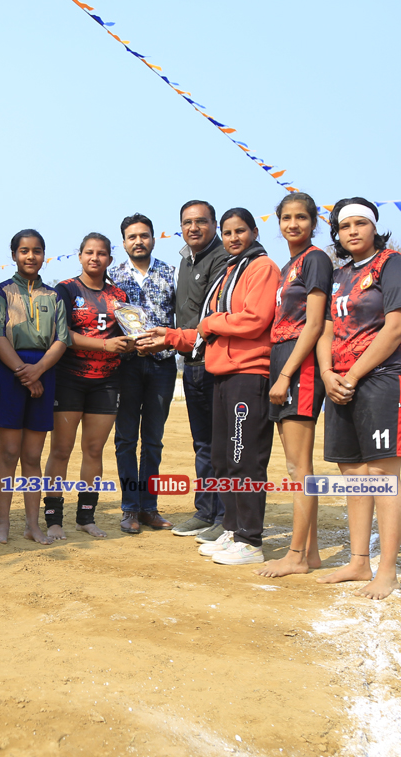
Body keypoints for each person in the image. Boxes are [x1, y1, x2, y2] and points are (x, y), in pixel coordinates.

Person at [139, 208, 280, 565]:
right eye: (229, 233)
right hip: (222, 372)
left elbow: (254, 319)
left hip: (249, 373)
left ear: (254, 232)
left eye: (240, 231)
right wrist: (171, 336)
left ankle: (250, 540)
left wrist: (211, 323)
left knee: (244, 459)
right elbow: (205, 331)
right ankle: (232, 529)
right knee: (223, 457)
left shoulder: (262, 267)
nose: (233, 238)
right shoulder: (232, 270)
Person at [314, 198, 401, 600]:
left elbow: (396, 327)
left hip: (380, 380)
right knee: (353, 473)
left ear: (375, 227)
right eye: (345, 226)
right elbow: (325, 329)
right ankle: (359, 562)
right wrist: (327, 374)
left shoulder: (393, 265)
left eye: (361, 223)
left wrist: (353, 375)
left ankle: (387, 571)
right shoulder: (339, 275)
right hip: (340, 382)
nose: (353, 231)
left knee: (382, 475)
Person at [255, 192, 332, 578]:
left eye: (301, 217)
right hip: (284, 359)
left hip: (299, 366)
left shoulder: (315, 259)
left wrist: (286, 375)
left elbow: (314, 324)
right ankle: (311, 553)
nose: (293, 224)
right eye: (286, 218)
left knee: (299, 467)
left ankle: (297, 555)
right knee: (295, 465)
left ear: (314, 222)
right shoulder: (290, 265)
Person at [44, 232, 133, 539]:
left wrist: (134, 343)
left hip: (107, 382)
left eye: (102, 253)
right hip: (69, 379)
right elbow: (62, 333)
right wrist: (104, 345)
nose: (95, 258)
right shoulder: (67, 289)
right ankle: (54, 519)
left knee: (94, 450)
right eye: (89, 252)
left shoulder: (119, 295)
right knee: (61, 449)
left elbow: (129, 333)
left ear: (110, 259)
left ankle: (86, 517)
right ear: (80, 256)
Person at [0, 229, 70, 545]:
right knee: (9, 453)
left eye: (37, 250)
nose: (30, 256)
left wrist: (38, 371)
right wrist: (24, 373)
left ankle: (33, 525)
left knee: (33, 456)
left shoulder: (54, 296)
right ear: (14, 255)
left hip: (44, 371)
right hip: (11, 371)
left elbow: (62, 339)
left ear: (44, 255)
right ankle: (2, 524)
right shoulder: (1, 293)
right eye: (24, 251)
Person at [109, 213, 178, 534]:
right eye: (132, 237)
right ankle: (129, 508)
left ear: (153, 238)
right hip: (125, 366)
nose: (138, 241)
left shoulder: (171, 273)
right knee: (125, 438)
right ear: (123, 242)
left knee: (153, 440)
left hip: (162, 364)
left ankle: (149, 507)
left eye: (144, 235)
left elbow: (182, 315)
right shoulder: (111, 277)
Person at [172, 200, 229, 541]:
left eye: (201, 221)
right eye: (187, 222)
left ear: (214, 224)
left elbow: (214, 313)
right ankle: (205, 511)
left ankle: (224, 515)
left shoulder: (222, 258)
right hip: (191, 363)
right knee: (203, 444)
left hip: (215, 362)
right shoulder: (185, 260)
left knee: (221, 444)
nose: (193, 227)